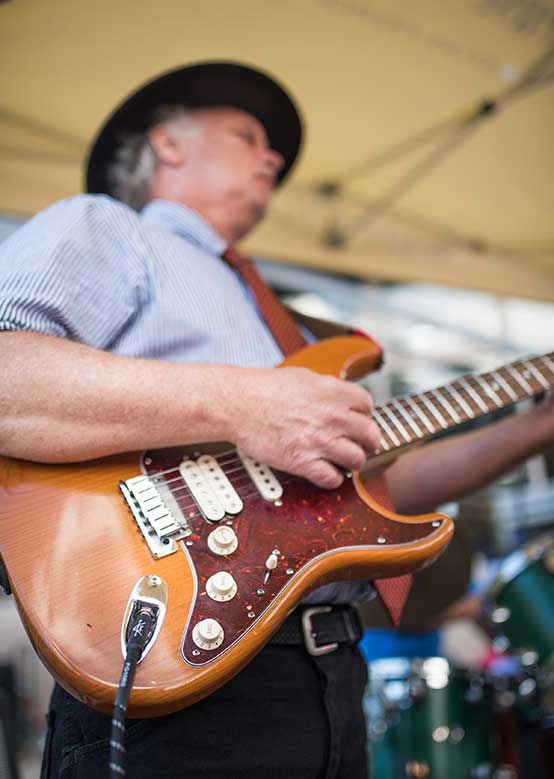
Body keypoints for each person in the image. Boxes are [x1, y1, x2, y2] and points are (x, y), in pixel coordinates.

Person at [0, 61, 553, 779]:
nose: (275, 159)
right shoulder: (107, 228)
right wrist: (242, 403)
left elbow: (369, 491)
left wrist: (532, 431)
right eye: (247, 134)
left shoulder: (290, 331)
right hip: (177, 678)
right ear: (166, 143)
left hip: (327, 677)